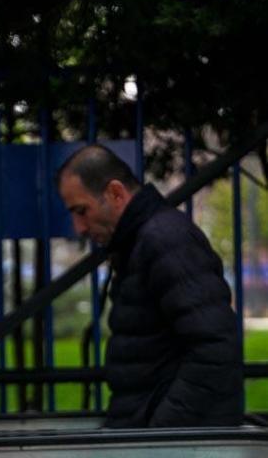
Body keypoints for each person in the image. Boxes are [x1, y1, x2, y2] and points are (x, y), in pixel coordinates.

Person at [56, 144, 243, 428]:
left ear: (116, 193)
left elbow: (214, 347)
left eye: (82, 211)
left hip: (174, 451)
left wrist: (161, 434)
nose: (79, 227)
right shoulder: (142, 242)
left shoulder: (164, 240)